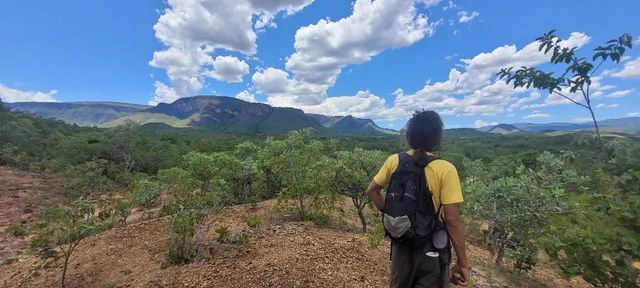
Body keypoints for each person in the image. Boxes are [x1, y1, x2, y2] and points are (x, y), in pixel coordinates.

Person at [366, 110, 471, 287]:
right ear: (437, 138)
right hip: (432, 250)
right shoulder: (446, 169)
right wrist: (463, 263)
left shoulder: (394, 161)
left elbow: (372, 190)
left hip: (401, 245)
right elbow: (452, 221)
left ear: (409, 136)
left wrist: (391, 212)